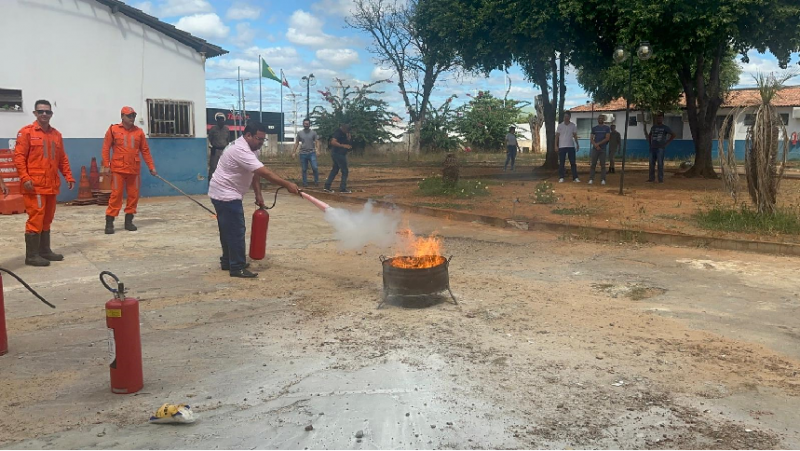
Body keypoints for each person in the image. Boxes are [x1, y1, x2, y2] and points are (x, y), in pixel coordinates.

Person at [208, 121, 300, 278]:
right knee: (236, 230)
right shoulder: (240, 149)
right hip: (225, 194)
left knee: (227, 229)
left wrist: (258, 194)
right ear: (248, 135)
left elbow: (255, 172)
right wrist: (287, 184)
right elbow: (266, 173)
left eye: (263, 140)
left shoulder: (252, 149)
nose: (261, 143)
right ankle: (237, 267)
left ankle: (227, 261)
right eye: (259, 139)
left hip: (223, 191)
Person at [13, 99, 75, 267]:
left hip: (51, 185)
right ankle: (31, 256)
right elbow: (19, 158)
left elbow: (62, 158)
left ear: (51, 114)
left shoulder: (56, 135)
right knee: (36, 219)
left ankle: (44, 251)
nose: (44, 114)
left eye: (48, 112)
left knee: (47, 219)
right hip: (34, 186)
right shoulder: (26, 133)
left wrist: (68, 176)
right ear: (35, 113)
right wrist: (25, 178)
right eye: (41, 111)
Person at [102, 106, 157, 234]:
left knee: (133, 196)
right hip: (118, 170)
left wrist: (151, 167)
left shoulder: (139, 132)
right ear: (122, 117)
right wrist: (106, 165)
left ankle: (129, 221)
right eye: (129, 116)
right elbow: (106, 148)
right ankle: (109, 222)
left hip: (134, 170)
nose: (132, 118)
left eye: (133, 116)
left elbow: (145, 151)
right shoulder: (113, 129)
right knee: (116, 196)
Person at [323, 123, 353, 194]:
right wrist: (343, 146)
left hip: (339, 154)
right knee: (345, 171)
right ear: (343, 127)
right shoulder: (338, 132)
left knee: (335, 170)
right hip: (338, 154)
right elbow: (333, 142)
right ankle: (343, 188)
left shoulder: (345, 133)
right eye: (347, 129)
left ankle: (327, 186)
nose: (347, 130)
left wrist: (348, 138)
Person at [648, 112, 675, 183]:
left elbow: (673, 135)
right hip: (653, 148)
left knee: (660, 163)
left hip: (660, 148)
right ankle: (651, 178)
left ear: (662, 119)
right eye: (658, 118)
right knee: (651, 163)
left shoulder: (665, 128)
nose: (659, 119)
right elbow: (650, 135)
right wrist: (650, 143)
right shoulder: (653, 127)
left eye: (660, 118)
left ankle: (660, 179)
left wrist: (667, 143)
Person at [293, 118, 319, 187]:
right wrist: (294, 152)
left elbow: (316, 141)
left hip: (312, 152)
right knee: (304, 169)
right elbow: (297, 143)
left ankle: (316, 181)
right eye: (305, 124)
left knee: (315, 167)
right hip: (303, 153)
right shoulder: (300, 133)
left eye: (307, 124)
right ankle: (305, 183)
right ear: (303, 124)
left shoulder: (313, 133)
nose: (306, 125)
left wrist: (318, 150)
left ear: (309, 124)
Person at [555, 111, 580, 183]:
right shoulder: (560, 126)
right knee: (562, 163)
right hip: (562, 146)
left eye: (567, 116)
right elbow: (557, 136)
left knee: (573, 162)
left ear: (570, 117)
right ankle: (561, 177)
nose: (566, 118)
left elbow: (575, 136)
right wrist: (556, 145)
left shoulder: (573, 126)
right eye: (565, 116)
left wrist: (577, 144)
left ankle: (575, 177)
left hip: (571, 146)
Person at [588, 115, 611, 185]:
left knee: (603, 165)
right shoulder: (594, 128)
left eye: (601, 118)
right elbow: (591, 139)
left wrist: (599, 144)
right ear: (597, 120)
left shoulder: (607, 128)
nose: (600, 119)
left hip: (603, 149)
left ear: (604, 119)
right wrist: (595, 145)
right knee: (593, 164)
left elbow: (607, 138)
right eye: (599, 118)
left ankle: (603, 179)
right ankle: (591, 179)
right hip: (595, 149)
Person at [208, 112, 230, 181]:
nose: (221, 121)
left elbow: (228, 139)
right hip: (215, 150)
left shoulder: (226, 129)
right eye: (219, 120)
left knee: (224, 167)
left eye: (222, 120)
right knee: (213, 167)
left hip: (224, 151)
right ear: (217, 121)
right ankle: (211, 182)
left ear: (224, 120)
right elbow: (210, 138)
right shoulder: (213, 129)